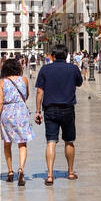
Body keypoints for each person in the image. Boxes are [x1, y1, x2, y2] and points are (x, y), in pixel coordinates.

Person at [35, 45, 83, 185]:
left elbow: (39, 92)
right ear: (67, 55)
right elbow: (79, 83)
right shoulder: (73, 68)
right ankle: (70, 172)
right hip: (68, 109)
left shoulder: (45, 69)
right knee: (69, 141)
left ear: (53, 56)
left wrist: (38, 111)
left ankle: (50, 175)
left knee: (51, 141)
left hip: (50, 109)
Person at [0, 56, 34, 185]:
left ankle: (10, 171)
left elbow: (0, 101)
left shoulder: (2, 81)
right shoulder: (24, 80)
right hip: (21, 111)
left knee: (7, 143)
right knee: (22, 143)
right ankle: (21, 169)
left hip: (7, 112)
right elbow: (26, 96)